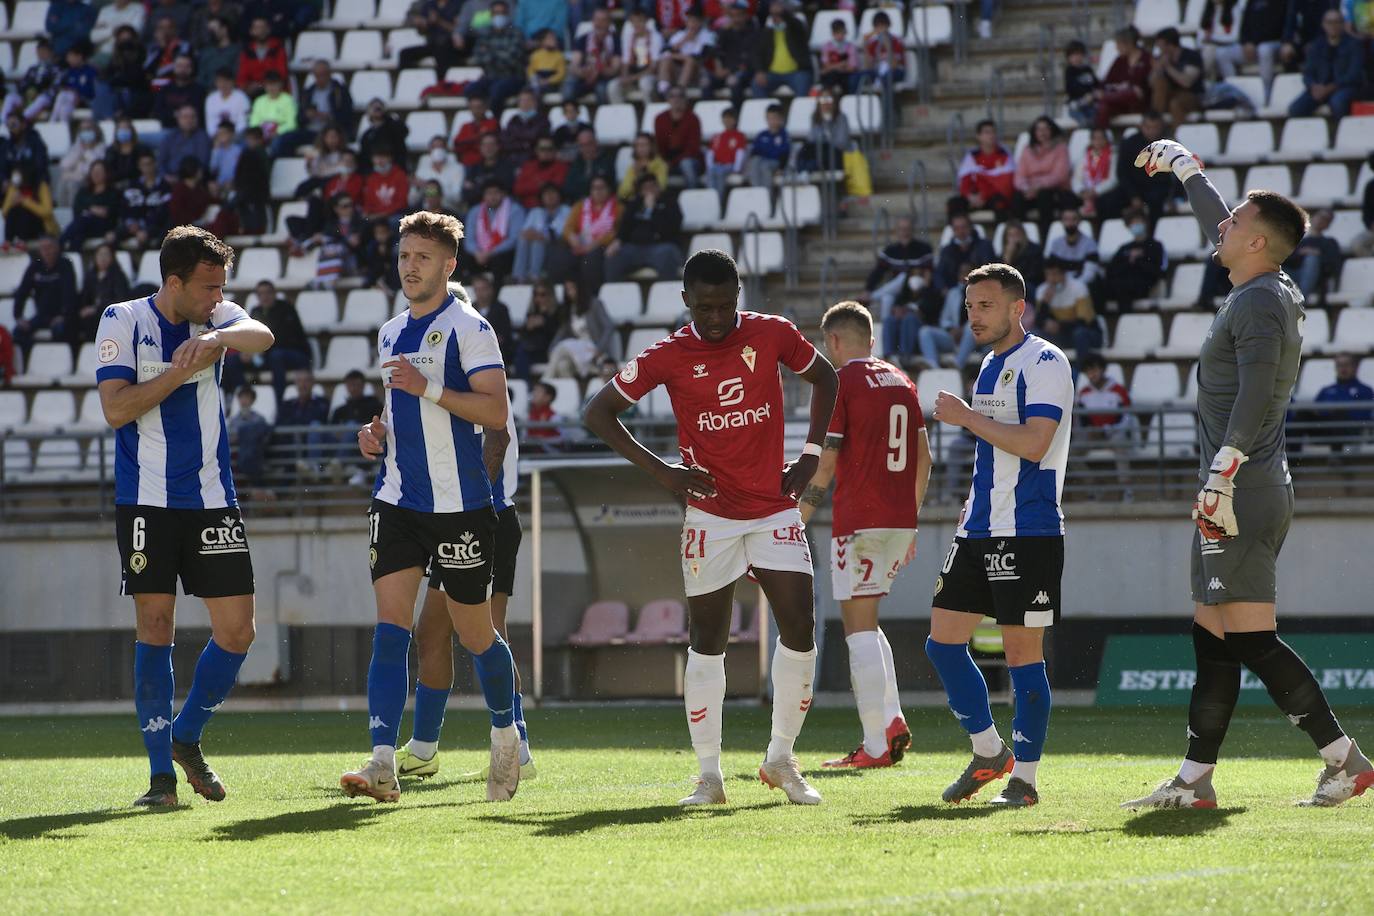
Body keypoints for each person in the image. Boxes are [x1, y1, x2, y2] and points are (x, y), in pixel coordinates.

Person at [1122, 138, 1372, 809]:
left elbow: (1258, 392)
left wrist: (1222, 474)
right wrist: (1187, 170)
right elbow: (1223, 222)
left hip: (1239, 488)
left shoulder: (1258, 302)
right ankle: (1194, 780)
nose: (1221, 226)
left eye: (1234, 225)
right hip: (1237, 486)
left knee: (1252, 638)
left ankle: (1345, 760)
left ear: (1257, 244)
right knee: (1213, 636)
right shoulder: (1264, 284)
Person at [585, 248, 839, 807]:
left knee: (800, 626)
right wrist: (664, 473)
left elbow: (825, 378)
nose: (718, 318)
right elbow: (597, 413)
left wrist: (811, 454)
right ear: (685, 302)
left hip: (774, 506)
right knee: (709, 640)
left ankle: (780, 761)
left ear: (739, 298)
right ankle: (709, 777)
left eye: (726, 306)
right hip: (711, 515)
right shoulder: (668, 355)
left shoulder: (772, 334)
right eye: (705, 308)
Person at [94, 226, 276, 807]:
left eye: (222, 286)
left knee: (239, 631)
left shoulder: (217, 314)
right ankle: (160, 780)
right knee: (155, 628)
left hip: (211, 498)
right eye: (206, 287)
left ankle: (186, 734)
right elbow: (116, 409)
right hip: (145, 500)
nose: (216, 296)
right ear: (174, 282)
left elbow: (262, 334)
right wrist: (178, 369)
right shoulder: (122, 320)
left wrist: (218, 340)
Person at [345, 213, 520, 804]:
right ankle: (381, 762)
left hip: (460, 506)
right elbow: (400, 414)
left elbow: (496, 413)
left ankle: (505, 736)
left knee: (476, 634)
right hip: (396, 499)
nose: (410, 266)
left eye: (423, 256)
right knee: (391, 630)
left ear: (449, 266)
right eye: (403, 255)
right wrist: (376, 434)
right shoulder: (391, 331)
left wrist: (431, 391)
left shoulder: (471, 328)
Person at [923, 262, 1074, 808]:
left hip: (1029, 531)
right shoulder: (988, 365)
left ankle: (1025, 781)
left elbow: (1036, 443)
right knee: (941, 644)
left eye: (985, 305)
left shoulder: (1046, 360)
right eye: (969, 307)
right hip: (978, 528)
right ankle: (990, 751)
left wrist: (964, 419)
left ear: (1018, 308)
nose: (974, 316)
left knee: (1021, 658)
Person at [799, 301, 930, 769]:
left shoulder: (840, 383)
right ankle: (891, 720)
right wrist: (908, 520)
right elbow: (925, 460)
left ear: (833, 341)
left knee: (856, 628)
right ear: (869, 339)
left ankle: (875, 745)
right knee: (869, 620)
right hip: (898, 518)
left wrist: (798, 516)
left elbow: (827, 461)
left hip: (860, 519)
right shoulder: (902, 380)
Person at [393, 408, 535, 780]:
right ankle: (425, 749)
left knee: (486, 632)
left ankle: (516, 752)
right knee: (433, 633)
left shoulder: (476, 373)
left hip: (477, 517)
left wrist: (471, 504)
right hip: (463, 516)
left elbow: (498, 438)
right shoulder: (450, 379)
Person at [1075, 351, 1137, 499]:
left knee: (1120, 444)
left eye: (1095, 369)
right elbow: (1082, 421)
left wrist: (1107, 430)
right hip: (1093, 436)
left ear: (1102, 369)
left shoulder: (1118, 391)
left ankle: (1126, 488)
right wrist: (1089, 430)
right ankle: (1094, 485)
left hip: (1114, 434)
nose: (1092, 374)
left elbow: (1127, 419)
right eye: (1088, 371)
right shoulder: (1083, 393)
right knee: (1071, 453)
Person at [557, 175, 621, 306]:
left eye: (601, 187)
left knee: (591, 258)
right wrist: (573, 239)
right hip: (581, 246)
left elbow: (616, 231)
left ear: (609, 189)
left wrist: (593, 245)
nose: (598, 191)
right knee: (562, 258)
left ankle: (592, 298)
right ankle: (566, 299)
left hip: (603, 247)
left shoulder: (618, 207)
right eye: (594, 188)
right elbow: (568, 228)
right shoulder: (580, 206)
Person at [606, 173, 683, 282]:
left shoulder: (670, 202)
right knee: (614, 256)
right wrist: (618, 241)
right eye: (646, 188)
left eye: (653, 186)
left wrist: (652, 210)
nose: (650, 190)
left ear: (658, 187)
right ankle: (614, 295)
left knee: (667, 254)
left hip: (661, 246)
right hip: (635, 248)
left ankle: (667, 295)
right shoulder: (635, 204)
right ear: (641, 191)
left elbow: (671, 229)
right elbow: (625, 226)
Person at [1289, 9, 1363, 119]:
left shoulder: (1354, 45)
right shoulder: (1316, 46)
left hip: (1343, 87)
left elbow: (1354, 74)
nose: (1333, 26)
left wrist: (1330, 87)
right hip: (1319, 88)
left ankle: (1341, 133)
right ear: (1323, 25)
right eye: (1329, 22)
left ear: (1343, 24)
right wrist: (1313, 86)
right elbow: (1307, 73)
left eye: (1336, 22)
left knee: (1338, 103)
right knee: (1296, 109)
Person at [1210, 0, 1285, 104]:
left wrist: (1254, 42)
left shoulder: (1281, 2)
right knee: (1222, 53)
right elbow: (1245, 25)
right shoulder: (1252, 2)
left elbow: (1280, 27)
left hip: (1274, 44)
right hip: (1252, 46)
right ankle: (1234, 91)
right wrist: (1246, 42)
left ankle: (1267, 95)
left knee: (1264, 50)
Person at [12, 236, 79, 352]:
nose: (46, 251)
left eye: (49, 248)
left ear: (57, 248)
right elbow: (22, 291)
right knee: (18, 332)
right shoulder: (35, 266)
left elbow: (70, 293)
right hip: (42, 316)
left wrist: (63, 315)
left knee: (62, 331)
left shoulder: (65, 264)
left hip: (62, 316)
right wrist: (18, 316)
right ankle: (31, 358)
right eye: (43, 248)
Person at [1012, 116, 1075, 236]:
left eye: (1046, 129)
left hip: (1054, 191)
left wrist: (1038, 185)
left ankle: (1045, 238)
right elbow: (1019, 176)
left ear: (1052, 130)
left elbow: (1059, 176)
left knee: (1044, 196)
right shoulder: (1027, 150)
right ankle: (1021, 237)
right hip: (1031, 191)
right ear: (1034, 132)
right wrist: (1026, 188)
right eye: (1039, 129)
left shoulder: (1060, 148)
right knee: (1017, 198)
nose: (1042, 133)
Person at [251, 280, 312, 401]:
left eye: (268, 293)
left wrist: (262, 349)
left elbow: (286, 339)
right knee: (234, 361)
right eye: (261, 294)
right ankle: (243, 398)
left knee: (276, 355)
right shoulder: (256, 312)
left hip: (295, 354)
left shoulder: (286, 309)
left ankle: (280, 400)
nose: (265, 297)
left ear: (274, 294)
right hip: (268, 354)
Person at [864, 215, 935, 318]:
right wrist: (868, 288)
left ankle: (871, 297)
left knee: (903, 277)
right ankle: (886, 330)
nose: (904, 232)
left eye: (907, 229)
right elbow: (878, 271)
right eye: (901, 229)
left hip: (916, 287)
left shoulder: (923, 249)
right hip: (898, 292)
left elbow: (929, 272)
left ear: (912, 230)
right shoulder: (891, 250)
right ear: (896, 231)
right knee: (886, 298)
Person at [467, 2, 528, 113]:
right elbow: (478, 57)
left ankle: (495, 122)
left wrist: (491, 54)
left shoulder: (516, 33)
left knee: (496, 90)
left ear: (507, 14)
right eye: (496, 13)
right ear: (491, 15)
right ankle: (480, 122)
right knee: (471, 89)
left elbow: (512, 60)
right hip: (491, 77)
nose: (499, 16)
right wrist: (500, 54)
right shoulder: (485, 33)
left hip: (513, 77)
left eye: (502, 13)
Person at [1034, 256, 1101, 355]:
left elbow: (1084, 321)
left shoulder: (1078, 287)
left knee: (1080, 334)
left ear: (1064, 274)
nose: (1052, 279)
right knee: (1036, 334)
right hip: (1062, 335)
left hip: (1088, 334)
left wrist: (1060, 326)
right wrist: (1045, 303)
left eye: (1055, 274)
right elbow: (1039, 321)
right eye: (1048, 275)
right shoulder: (1042, 291)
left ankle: (1081, 369)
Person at [1104, 209, 1167, 311]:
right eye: (1132, 223)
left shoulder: (1155, 245)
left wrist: (1138, 261)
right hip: (1123, 283)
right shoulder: (1124, 248)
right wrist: (1129, 260)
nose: (1136, 225)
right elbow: (1111, 269)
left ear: (1145, 223)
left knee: (1124, 288)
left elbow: (1158, 270)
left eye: (1138, 221)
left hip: (1144, 284)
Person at [952, 119, 1014, 217]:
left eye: (993, 132)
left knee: (1001, 202)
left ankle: (1000, 232)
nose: (991, 135)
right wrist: (969, 196)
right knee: (954, 203)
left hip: (993, 198)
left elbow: (1004, 184)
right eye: (987, 132)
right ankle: (961, 232)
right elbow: (964, 181)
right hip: (975, 198)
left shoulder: (1004, 155)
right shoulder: (972, 156)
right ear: (978, 136)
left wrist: (983, 196)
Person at [463, 181, 525, 279]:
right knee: (465, 257)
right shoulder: (475, 212)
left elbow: (514, 239)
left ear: (503, 194)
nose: (492, 197)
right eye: (489, 193)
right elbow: (469, 240)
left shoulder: (514, 210)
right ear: (483, 196)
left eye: (496, 193)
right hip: (480, 254)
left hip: (502, 253)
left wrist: (492, 252)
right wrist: (477, 253)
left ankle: (496, 292)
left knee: (500, 259)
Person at [752, 0, 812, 98]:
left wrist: (783, 12)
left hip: (797, 72)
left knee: (803, 82)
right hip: (773, 74)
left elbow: (794, 24)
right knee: (756, 84)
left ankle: (800, 112)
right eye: (774, 16)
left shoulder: (796, 30)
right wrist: (760, 70)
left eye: (779, 16)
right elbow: (758, 54)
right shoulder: (766, 33)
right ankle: (767, 112)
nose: (777, 18)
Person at [1312, 353, 1374, 448]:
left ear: (1355, 367)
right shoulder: (1326, 390)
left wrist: (1340, 411)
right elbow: (1316, 411)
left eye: (1347, 365)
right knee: (1302, 414)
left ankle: (1336, 456)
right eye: (1339, 365)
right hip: (1326, 430)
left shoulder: (1365, 390)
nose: (1343, 368)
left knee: (1339, 414)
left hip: (1351, 431)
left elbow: (1364, 415)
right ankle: (1292, 458)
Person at [514, 182, 570, 283]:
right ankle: (519, 276)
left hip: (558, 245)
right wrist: (533, 234)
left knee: (537, 242)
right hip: (538, 244)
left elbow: (563, 234)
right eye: (546, 194)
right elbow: (524, 232)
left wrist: (542, 236)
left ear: (559, 195)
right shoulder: (535, 212)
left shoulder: (566, 210)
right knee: (522, 239)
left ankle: (535, 276)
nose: (550, 196)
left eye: (553, 193)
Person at [563, 7, 621, 104]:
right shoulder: (583, 39)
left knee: (602, 90)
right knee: (569, 86)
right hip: (584, 76)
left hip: (604, 77)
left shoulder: (615, 40)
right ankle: (570, 118)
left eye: (603, 20)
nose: (600, 24)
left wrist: (599, 70)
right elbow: (574, 65)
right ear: (593, 21)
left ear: (609, 23)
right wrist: (583, 72)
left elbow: (615, 69)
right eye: (597, 20)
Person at [1150, 27, 1205, 127]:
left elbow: (1187, 82)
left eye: (1161, 46)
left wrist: (1168, 67)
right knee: (1160, 83)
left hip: (1191, 95)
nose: (1159, 50)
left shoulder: (1191, 56)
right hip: (1167, 96)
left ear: (1170, 45)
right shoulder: (1161, 58)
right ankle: (1155, 124)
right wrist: (1157, 70)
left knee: (1175, 104)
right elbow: (1151, 84)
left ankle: (1176, 136)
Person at [1096, 26, 1150, 128]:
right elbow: (1106, 82)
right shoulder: (1120, 60)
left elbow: (1142, 89)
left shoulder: (1146, 59)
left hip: (1141, 103)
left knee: (1131, 93)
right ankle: (1101, 138)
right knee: (1103, 107)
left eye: (1119, 44)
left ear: (1128, 44)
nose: (1117, 48)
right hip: (1119, 101)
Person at [1284, 208, 1341, 301]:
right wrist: (1301, 253)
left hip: (1315, 279)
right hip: (1292, 276)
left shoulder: (1329, 243)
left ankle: (1300, 301)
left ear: (1328, 225)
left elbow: (1332, 263)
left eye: (1325, 219)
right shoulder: (1297, 241)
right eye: (1319, 216)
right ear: (1312, 217)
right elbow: (1285, 260)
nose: (1320, 220)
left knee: (1311, 259)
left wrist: (1316, 254)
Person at [79, 243, 132, 340]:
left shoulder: (118, 276)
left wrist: (96, 308)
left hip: (110, 315)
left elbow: (121, 300)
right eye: (100, 255)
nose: (103, 258)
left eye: (106, 255)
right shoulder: (90, 276)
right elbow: (84, 298)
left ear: (112, 257)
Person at [121, 151, 173, 249]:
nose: (147, 168)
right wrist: (131, 223)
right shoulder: (132, 186)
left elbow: (164, 211)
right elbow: (124, 209)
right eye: (143, 165)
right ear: (139, 167)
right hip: (133, 225)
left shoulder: (164, 186)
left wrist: (146, 229)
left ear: (155, 164)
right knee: (113, 236)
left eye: (149, 164)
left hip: (154, 226)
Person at [655, 87, 703, 189]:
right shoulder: (660, 118)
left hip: (689, 158)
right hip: (667, 159)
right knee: (655, 164)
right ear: (667, 99)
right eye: (672, 96)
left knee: (686, 164)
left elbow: (693, 147)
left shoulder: (693, 118)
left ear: (685, 99)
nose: (676, 99)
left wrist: (673, 162)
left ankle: (692, 195)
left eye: (680, 96)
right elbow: (659, 144)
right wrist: (664, 160)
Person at [658, 10, 713, 97]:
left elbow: (700, 57)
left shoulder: (707, 36)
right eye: (689, 21)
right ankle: (663, 89)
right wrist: (684, 40)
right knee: (666, 60)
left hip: (698, 73)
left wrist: (677, 56)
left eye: (695, 21)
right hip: (678, 71)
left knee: (690, 61)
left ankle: (680, 89)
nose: (692, 24)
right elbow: (664, 52)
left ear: (701, 22)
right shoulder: (680, 35)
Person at [936, 214, 995, 291]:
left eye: (963, 227)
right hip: (954, 289)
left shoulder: (984, 246)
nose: (961, 231)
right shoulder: (947, 250)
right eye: (956, 228)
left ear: (970, 227)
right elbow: (939, 273)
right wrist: (944, 290)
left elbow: (990, 268)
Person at [1044, 207, 1101, 288]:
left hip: (1082, 285)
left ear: (1079, 221)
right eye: (1066, 219)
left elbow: (1089, 275)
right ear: (1062, 221)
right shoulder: (1056, 244)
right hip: (1061, 283)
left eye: (1074, 219)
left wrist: (1073, 287)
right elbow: (1052, 270)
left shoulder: (1090, 244)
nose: (1070, 223)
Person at [228, 385, 272, 489]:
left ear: (252, 400)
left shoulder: (259, 419)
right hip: (238, 457)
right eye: (242, 397)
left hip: (254, 456)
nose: (244, 401)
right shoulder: (234, 421)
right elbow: (230, 439)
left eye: (247, 397)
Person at [2, 164, 58, 244]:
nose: (16, 178)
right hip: (20, 225)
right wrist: (12, 201)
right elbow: (4, 212)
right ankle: (8, 241)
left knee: (24, 211)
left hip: (42, 227)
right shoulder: (14, 187)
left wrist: (24, 201)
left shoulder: (41, 187)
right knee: (14, 210)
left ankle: (22, 241)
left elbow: (47, 212)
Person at [617, 7, 664, 102]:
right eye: (634, 22)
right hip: (633, 74)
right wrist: (625, 77)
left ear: (646, 22)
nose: (637, 25)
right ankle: (621, 114)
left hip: (650, 75)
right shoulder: (628, 37)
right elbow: (625, 62)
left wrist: (632, 78)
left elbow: (654, 67)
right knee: (613, 86)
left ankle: (649, 112)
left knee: (645, 83)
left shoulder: (656, 37)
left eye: (640, 21)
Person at [706, 107, 749, 203]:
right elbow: (710, 153)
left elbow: (740, 153)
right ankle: (710, 200)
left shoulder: (739, 135)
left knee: (720, 173)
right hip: (717, 165)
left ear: (735, 120)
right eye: (725, 118)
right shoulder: (717, 136)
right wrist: (710, 166)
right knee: (711, 172)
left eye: (730, 118)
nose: (727, 121)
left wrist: (737, 169)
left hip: (730, 165)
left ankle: (718, 201)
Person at [156, 105, 211, 180]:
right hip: (168, 179)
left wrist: (180, 179)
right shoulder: (170, 137)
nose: (189, 120)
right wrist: (165, 176)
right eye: (185, 117)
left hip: (192, 180)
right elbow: (160, 161)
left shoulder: (203, 138)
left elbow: (202, 164)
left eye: (192, 117)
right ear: (178, 119)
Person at [469, 273, 515, 362]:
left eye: (483, 289)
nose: (480, 293)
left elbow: (505, 334)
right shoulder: (470, 309)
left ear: (491, 289)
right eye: (477, 290)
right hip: (473, 350)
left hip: (495, 350)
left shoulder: (501, 309)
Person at [236, 16, 288, 95]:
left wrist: (262, 85)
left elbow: (282, 74)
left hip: (275, 91)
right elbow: (241, 77)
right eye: (257, 27)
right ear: (251, 31)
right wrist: (246, 87)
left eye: (263, 27)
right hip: (251, 93)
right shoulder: (247, 51)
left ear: (268, 30)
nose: (261, 31)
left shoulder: (277, 48)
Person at [562, 128, 616, 203]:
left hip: (602, 204)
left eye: (589, 144)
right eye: (582, 145)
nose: (586, 148)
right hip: (578, 204)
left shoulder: (607, 161)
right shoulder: (576, 163)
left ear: (596, 143)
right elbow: (569, 188)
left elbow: (609, 186)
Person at [1072, 127, 1116, 220]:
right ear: (1091, 140)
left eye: (1101, 138)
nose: (1098, 141)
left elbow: (1113, 180)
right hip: (1085, 192)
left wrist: (1096, 191)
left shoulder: (1112, 155)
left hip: (1102, 192)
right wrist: (1081, 191)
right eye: (1095, 138)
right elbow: (1076, 178)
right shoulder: (1084, 155)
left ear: (1106, 140)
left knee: (1106, 201)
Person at [463, 133, 516, 208]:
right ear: (480, 148)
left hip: (503, 207)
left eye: (492, 144)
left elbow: (508, 190)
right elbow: (466, 195)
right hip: (478, 207)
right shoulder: (474, 169)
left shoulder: (507, 167)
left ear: (498, 147)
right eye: (485, 145)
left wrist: (477, 187)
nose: (488, 148)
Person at [500, 88, 550, 166]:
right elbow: (506, 141)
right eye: (522, 100)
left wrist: (517, 140)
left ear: (535, 102)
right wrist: (524, 144)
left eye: (528, 100)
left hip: (533, 161)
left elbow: (535, 139)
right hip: (511, 160)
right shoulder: (513, 120)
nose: (525, 103)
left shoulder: (543, 120)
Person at [513, 140, 568, 209]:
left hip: (550, 208)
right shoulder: (528, 166)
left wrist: (530, 186)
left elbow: (553, 188)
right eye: (542, 149)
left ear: (554, 151)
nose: (546, 152)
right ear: (536, 150)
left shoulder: (561, 167)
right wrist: (539, 185)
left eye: (549, 149)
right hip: (525, 208)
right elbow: (518, 189)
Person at [747, 103, 790, 190]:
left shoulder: (783, 135)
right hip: (761, 162)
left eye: (774, 118)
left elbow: (785, 153)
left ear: (781, 119)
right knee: (755, 162)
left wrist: (781, 168)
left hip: (775, 162)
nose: (772, 121)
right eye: (769, 118)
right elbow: (754, 151)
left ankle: (767, 195)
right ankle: (756, 190)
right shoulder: (762, 135)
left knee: (764, 166)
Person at [617, 132, 669, 203]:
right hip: (634, 203)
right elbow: (622, 193)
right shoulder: (633, 167)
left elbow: (661, 187)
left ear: (652, 146)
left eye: (644, 144)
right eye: (638, 145)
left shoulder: (660, 165)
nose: (641, 148)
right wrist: (635, 177)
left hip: (654, 201)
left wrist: (644, 173)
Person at [860, 10, 906, 89]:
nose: (880, 29)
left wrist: (888, 46)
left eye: (882, 26)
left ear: (888, 26)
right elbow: (868, 67)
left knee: (887, 77)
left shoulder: (896, 41)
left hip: (895, 71)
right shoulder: (873, 43)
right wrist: (865, 47)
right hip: (878, 71)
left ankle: (887, 101)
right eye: (878, 27)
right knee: (858, 76)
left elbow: (894, 66)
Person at [362, 151, 410, 223]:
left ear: (390, 158)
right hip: (375, 215)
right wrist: (366, 212)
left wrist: (381, 214)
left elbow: (402, 202)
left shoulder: (400, 175)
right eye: (377, 157)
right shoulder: (371, 178)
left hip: (395, 214)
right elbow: (368, 201)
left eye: (383, 157)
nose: (380, 161)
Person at [819, 18, 861, 96]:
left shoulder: (851, 47)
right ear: (833, 33)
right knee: (829, 78)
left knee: (849, 81)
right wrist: (842, 64)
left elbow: (852, 68)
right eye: (837, 33)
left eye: (842, 32)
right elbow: (826, 66)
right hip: (832, 76)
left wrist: (833, 67)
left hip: (846, 76)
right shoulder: (826, 46)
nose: (840, 35)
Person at [1063, 39, 1100, 128]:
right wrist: (1085, 94)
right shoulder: (1070, 71)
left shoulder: (1088, 70)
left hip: (1090, 104)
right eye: (1073, 55)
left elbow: (1096, 84)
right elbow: (1070, 88)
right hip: (1076, 105)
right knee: (1083, 122)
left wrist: (1095, 93)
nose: (1076, 58)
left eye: (1079, 54)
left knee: (1096, 120)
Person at [999, 220, 1044, 291]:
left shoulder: (1034, 250)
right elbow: (999, 275)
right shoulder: (1005, 252)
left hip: (1029, 284)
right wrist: (1007, 258)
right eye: (1010, 235)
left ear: (1022, 235)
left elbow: (1033, 275)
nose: (1014, 238)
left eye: (1016, 234)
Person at [205, 68, 250, 136]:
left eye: (226, 81)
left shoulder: (242, 98)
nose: (223, 84)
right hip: (217, 137)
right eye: (220, 81)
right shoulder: (211, 99)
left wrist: (231, 136)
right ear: (216, 82)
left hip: (237, 136)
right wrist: (216, 136)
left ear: (232, 82)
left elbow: (243, 123)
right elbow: (210, 123)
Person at [528, 28, 567, 95]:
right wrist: (535, 80)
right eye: (550, 38)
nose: (553, 40)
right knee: (527, 90)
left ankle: (536, 105)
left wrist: (548, 81)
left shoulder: (559, 56)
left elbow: (561, 74)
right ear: (542, 41)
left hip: (551, 83)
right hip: (538, 79)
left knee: (539, 90)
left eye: (554, 38)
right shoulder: (535, 55)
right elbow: (530, 70)